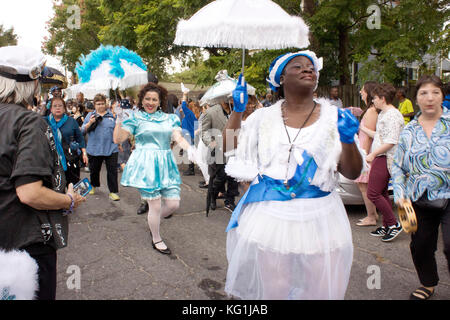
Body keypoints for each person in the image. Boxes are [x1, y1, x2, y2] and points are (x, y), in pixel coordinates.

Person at [222, 50, 363, 300]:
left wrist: (348, 139)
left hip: (320, 217)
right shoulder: (263, 117)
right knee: (275, 288)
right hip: (272, 216)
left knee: (319, 289)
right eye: (297, 67)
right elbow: (229, 147)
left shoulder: (334, 117)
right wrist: (237, 111)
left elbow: (352, 172)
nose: (307, 69)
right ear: (281, 79)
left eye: (311, 67)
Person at [0, 46, 85, 300]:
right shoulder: (29, 121)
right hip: (25, 244)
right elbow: (30, 193)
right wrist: (70, 200)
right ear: (32, 84)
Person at [114, 82, 196, 255]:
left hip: (165, 162)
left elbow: (178, 137)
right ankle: (156, 237)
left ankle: (153, 221)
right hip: (146, 164)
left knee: (173, 204)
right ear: (142, 100)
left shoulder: (169, 118)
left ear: (160, 102)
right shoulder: (135, 118)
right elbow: (118, 139)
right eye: (147, 99)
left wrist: (191, 150)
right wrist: (119, 119)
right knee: (156, 206)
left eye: (154, 99)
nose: (150, 102)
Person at [392, 75, 449, 300]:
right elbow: (397, 166)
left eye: (435, 92)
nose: (430, 98)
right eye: (424, 93)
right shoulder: (409, 131)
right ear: (416, 99)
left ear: (442, 96)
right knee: (421, 246)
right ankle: (428, 283)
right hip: (419, 197)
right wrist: (399, 194)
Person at [362, 83, 404, 242]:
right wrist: (363, 129)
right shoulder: (384, 114)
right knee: (382, 192)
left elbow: (391, 141)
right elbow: (380, 135)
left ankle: (393, 224)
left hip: (386, 157)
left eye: (375, 98)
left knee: (372, 192)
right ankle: (387, 225)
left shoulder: (393, 115)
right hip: (381, 156)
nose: (373, 101)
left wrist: (372, 154)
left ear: (383, 98)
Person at [202, 92, 239, 212]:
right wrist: (212, 143)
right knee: (220, 177)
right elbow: (205, 132)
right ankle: (213, 196)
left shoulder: (237, 112)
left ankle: (230, 201)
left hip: (234, 150)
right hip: (218, 151)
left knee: (233, 177)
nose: (233, 100)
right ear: (223, 99)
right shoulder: (211, 112)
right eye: (231, 98)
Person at [81, 94, 120, 201]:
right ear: (94, 105)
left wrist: (119, 144)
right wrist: (90, 122)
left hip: (111, 148)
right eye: (98, 104)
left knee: (112, 171)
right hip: (94, 148)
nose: (101, 106)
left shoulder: (112, 115)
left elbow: (117, 131)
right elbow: (82, 131)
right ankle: (93, 185)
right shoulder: (90, 115)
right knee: (94, 170)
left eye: (102, 103)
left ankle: (113, 191)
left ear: (105, 104)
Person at [46, 97, 88, 186]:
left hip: (71, 159)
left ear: (64, 108)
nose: (58, 108)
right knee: (56, 189)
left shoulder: (71, 121)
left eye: (60, 106)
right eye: (55, 106)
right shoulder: (45, 121)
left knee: (72, 186)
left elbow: (80, 138)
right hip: (52, 160)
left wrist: (84, 153)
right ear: (50, 109)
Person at [355, 81, 379, 226]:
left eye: (363, 90)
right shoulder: (370, 110)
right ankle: (373, 214)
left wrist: (363, 157)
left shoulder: (371, 111)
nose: (360, 93)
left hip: (366, 152)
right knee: (364, 186)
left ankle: (371, 216)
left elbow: (369, 135)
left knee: (365, 186)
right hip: (365, 150)